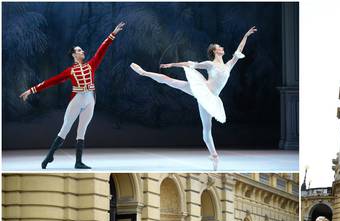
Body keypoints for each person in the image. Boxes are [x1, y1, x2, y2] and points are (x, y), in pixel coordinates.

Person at [130, 26, 257, 170]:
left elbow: (238, 51)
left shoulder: (228, 65)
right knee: (172, 82)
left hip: (211, 98)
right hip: (202, 89)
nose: (222, 47)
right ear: (215, 51)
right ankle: (144, 73)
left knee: (207, 129)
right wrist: (172, 64)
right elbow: (192, 64)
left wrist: (246, 35)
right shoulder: (210, 64)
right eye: (219, 47)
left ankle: (214, 155)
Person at [19, 22, 125, 169]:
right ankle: (49, 156)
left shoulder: (91, 65)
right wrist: (31, 90)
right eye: (80, 50)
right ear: (74, 55)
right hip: (77, 99)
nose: (83, 52)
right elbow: (50, 81)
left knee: (82, 131)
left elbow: (102, 50)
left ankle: (78, 162)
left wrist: (113, 34)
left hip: (90, 100)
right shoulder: (70, 71)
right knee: (65, 128)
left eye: (82, 50)